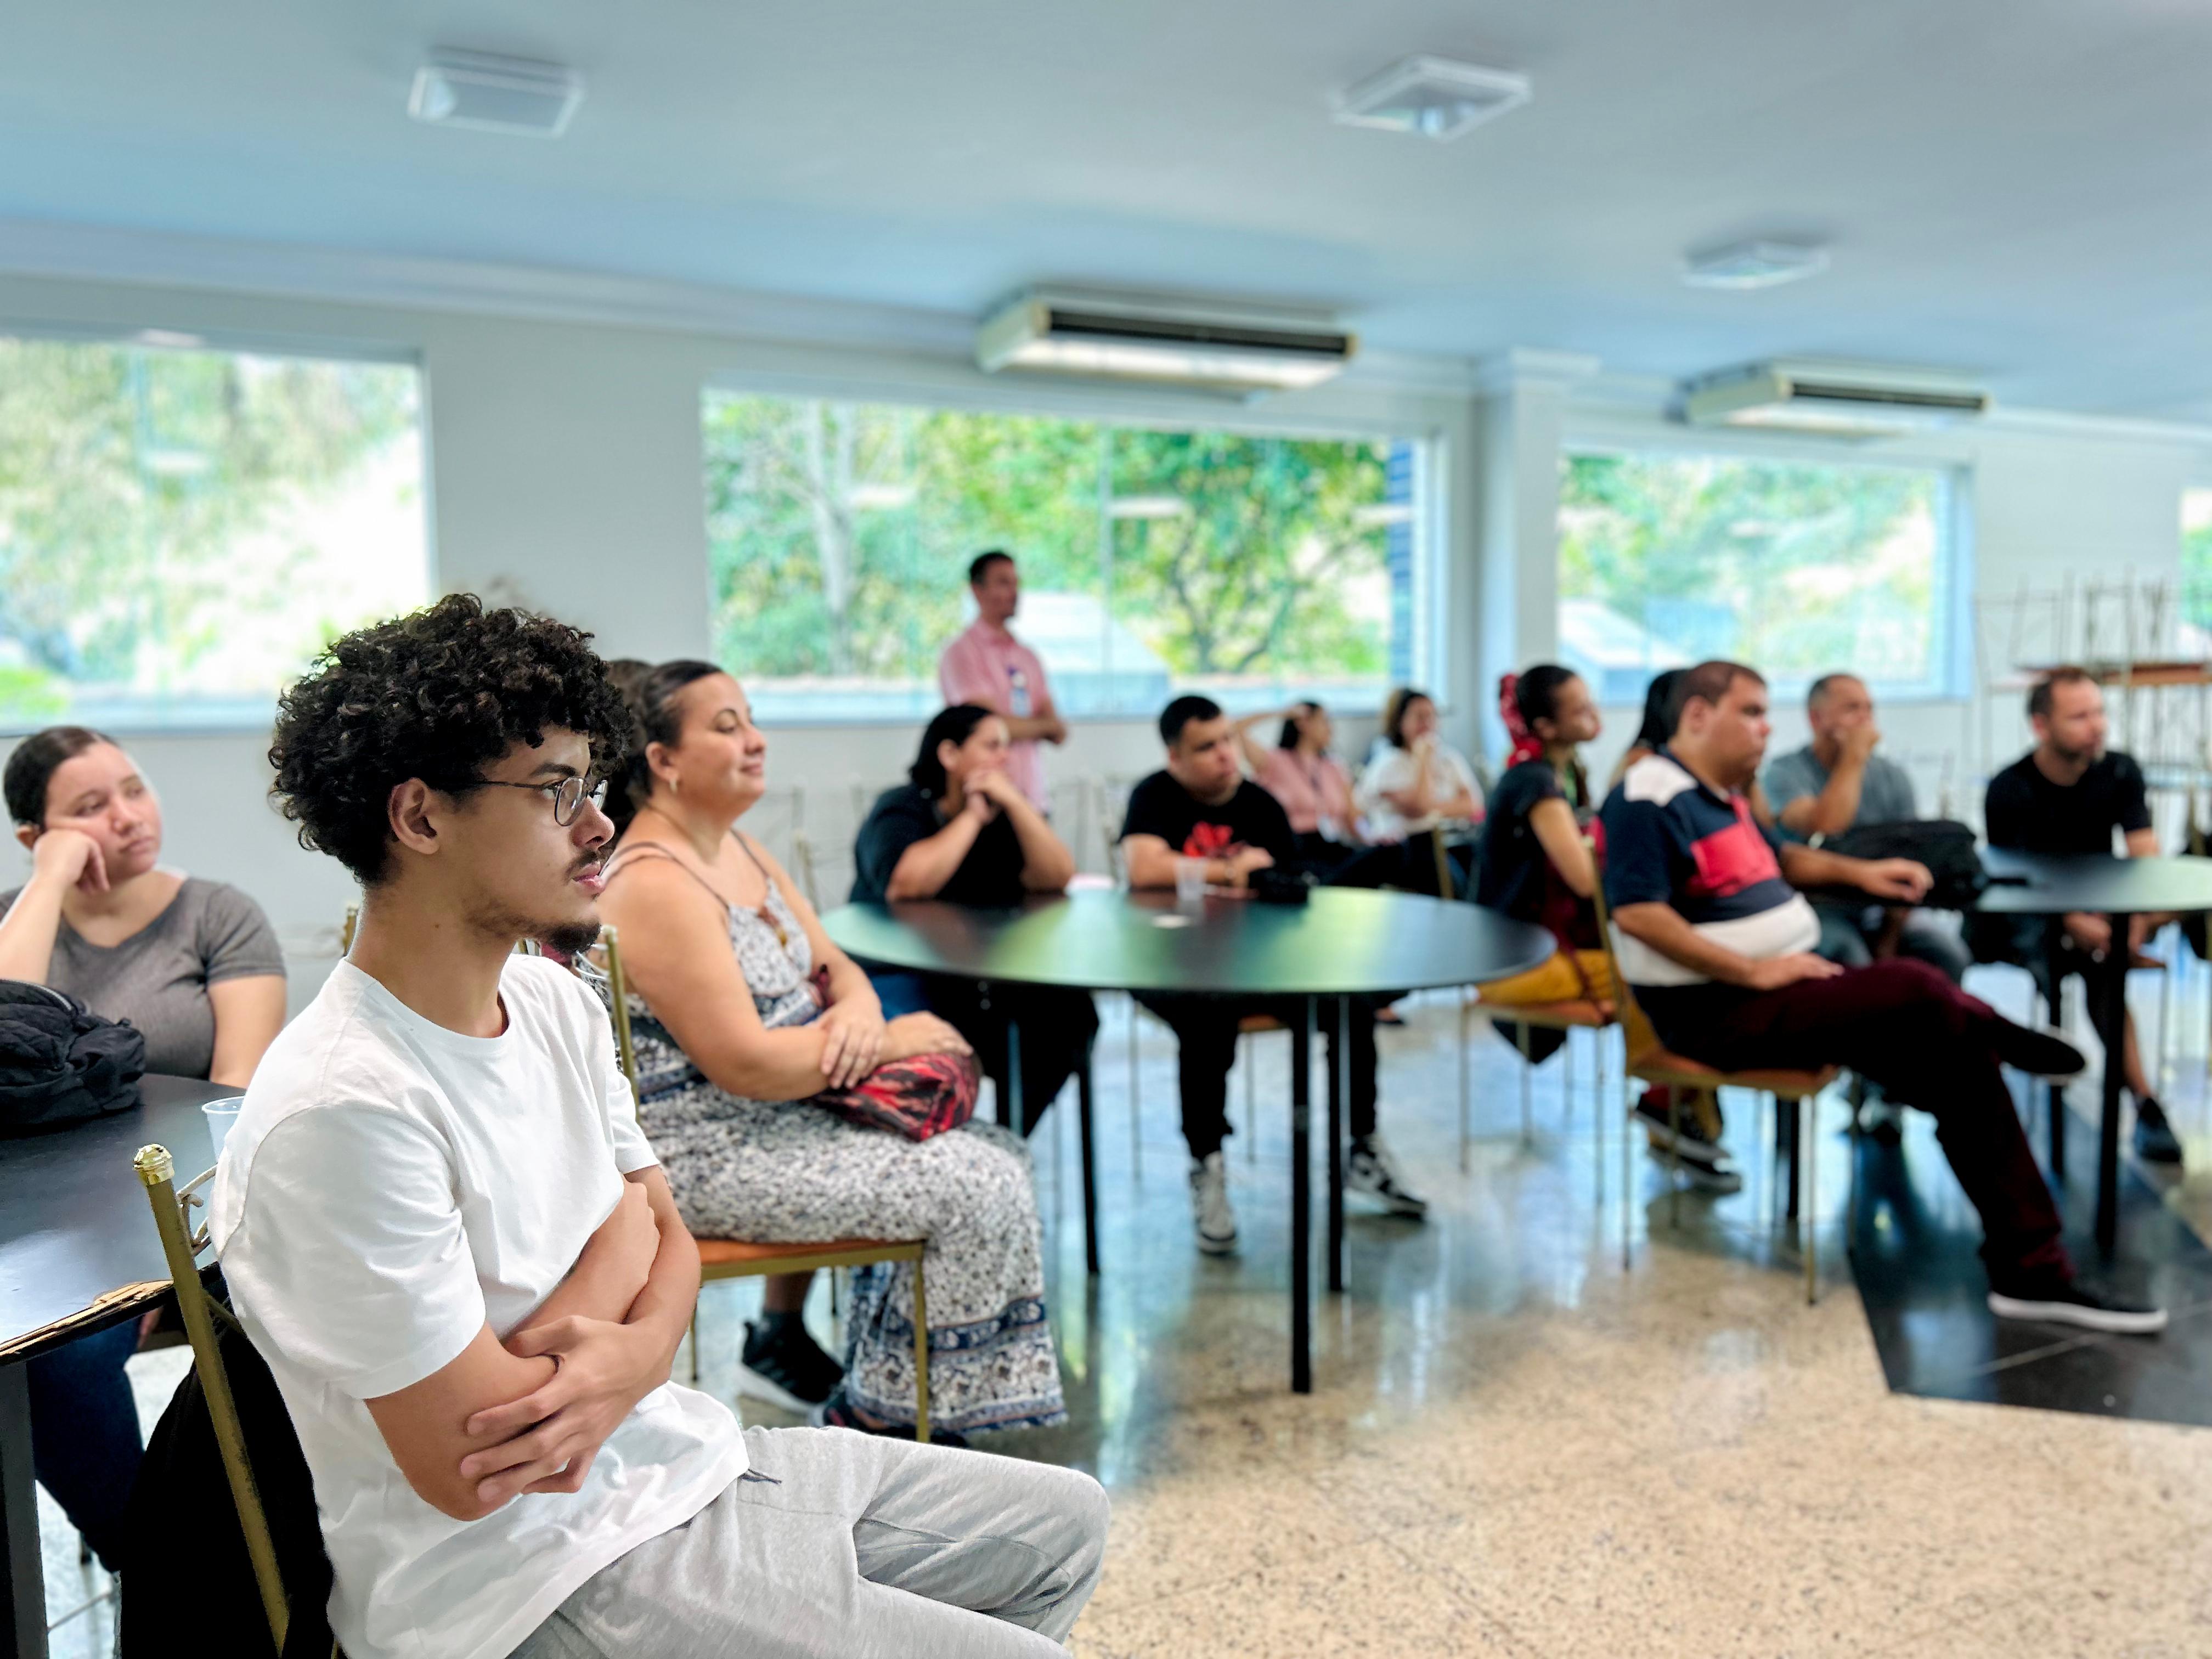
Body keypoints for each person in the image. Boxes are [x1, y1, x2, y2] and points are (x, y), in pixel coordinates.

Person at [219, 596, 1104, 1659]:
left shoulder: (551, 999)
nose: (599, 824)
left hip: (675, 1462)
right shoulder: (343, 1107)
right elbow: (476, 1465)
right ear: (420, 817)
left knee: (1067, 1525)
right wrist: (628, 1261)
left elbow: (667, 1229)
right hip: (524, 1581)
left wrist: (630, 1352)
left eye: (592, 786)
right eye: (556, 790)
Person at [1600, 659, 2164, 1334]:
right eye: (1750, 712)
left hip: (1783, 985)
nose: (1765, 728)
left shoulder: (1719, 795)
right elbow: (1637, 914)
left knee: (1960, 1065)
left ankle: (2031, 1269)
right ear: (1697, 715)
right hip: (1714, 1010)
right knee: (1912, 984)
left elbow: (1784, 859)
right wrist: (1750, 972)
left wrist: (1863, 874)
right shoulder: (1647, 796)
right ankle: (2003, 1034)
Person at [599, 661, 1066, 1440]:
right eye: (728, 727)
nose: (756, 741)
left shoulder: (740, 849)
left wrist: (860, 1012)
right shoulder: (654, 882)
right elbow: (745, 1064)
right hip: (711, 1152)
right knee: (976, 1186)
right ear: (664, 761)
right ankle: (901, 1432)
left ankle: (893, 1402)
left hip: (788, 1117)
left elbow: (837, 965)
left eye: (751, 720)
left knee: (1000, 1155)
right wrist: (886, 1042)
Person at [2, 726, 287, 1575]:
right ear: (35, 835)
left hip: (193, 1207)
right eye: (91, 807)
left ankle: (182, 1568)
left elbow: (236, 1094)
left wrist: (159, 1248)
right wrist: (49, 879)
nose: (128, 816)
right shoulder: (21, 921)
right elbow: (4, 1020)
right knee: (29, 1352)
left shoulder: (216, 914)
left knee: (58, 1357)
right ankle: (156, 1563)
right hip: (42, 1224)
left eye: (133, 788)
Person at [1120, 695, 1425, 1253]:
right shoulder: (1153, 796)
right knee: (1207, 1016)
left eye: (1226, 741)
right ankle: (1207, 1162)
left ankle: (1362, 1147)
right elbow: (1143, 868)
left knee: (1351, 1006)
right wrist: (1230, 869)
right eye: (1205, 747)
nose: (1224, 755)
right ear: (1174, 757)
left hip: (1260, 961)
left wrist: (1210, 874)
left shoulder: (1260, 804)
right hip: (1174, 963)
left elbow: (1288, 884)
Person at [851, 703, 1099, 1126]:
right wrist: (971, 818)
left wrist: (1017, 804)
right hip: (905, 967)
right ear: (950, 754)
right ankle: (958, 1143)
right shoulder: (900, 808)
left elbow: (1056, 877)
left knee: (1071, 1016)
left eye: (1007, 748)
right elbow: (905, 885)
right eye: (992, 746)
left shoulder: (1004, 812)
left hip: (985, 971)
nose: (1005, 758)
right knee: (929, 1049)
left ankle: (1010, 1136)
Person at [1983, 667, 2184, 1166]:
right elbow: (2015, 880)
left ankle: (2145, 1102)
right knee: (2090, 959)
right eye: (2079, 717)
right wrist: (2083, 925)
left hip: (2103, 907)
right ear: (2041, 725)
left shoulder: (2119, 771)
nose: (2097, 726)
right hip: (2032, 915)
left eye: (2099, 712)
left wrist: (2134, 922)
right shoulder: (2010, 788)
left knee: (2110, 962)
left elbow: (2144, 857)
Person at [1764, 673, 1970, 982]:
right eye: (1852, 709)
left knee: (1948, 955)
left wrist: (1889, 940)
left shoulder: (1892, 776)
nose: (1864, 719)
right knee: (1853, 959)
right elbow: (1826, 826)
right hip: (1817, 908)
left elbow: (1910, 860)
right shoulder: (1785, 773)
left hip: (1884, 908)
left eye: (1869, 709)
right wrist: (1853, 758)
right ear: (1816, 718)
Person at [938, 550, 1067, 811]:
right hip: (986, 802)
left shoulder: (1027, 656)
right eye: (1003, 583)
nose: (1014, 592)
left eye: (1016, 583)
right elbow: (984, 726)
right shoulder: (961, 653)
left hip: (1033, 800)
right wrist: (1040, 725)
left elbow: (1059, 731)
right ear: (977, 591)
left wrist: (1019, 725)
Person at [1355, 689, 1483, 895]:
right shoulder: (1388, 763)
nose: (1428, 723)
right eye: (1420, 717)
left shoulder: (1449, 758)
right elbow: (1420, 807)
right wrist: (1423, 759)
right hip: (1409, 849)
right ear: (1400, 721)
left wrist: (1433, 808)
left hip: (1452, 839)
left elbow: (1473, 804)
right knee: (1455, 887)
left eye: (1432, 716)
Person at [1235, 702, 1364, 871]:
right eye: (1324, 721)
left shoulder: (1334, 767)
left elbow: (1353, 819)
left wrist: (1372, 840)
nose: (1330, 729)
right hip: (1293, 849)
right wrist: (1282, 713)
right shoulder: (1274, 761)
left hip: (1331, 847)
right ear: (1303, 723)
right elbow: (1236, 729)